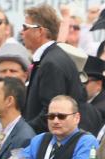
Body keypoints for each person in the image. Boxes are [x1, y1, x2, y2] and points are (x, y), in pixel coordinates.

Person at [21, 4, 88, 134]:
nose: (22, 32)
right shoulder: (50, 58)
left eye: (25, 27)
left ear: (40, 31)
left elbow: (51, 113)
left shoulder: (51, 63)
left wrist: (23, 132)